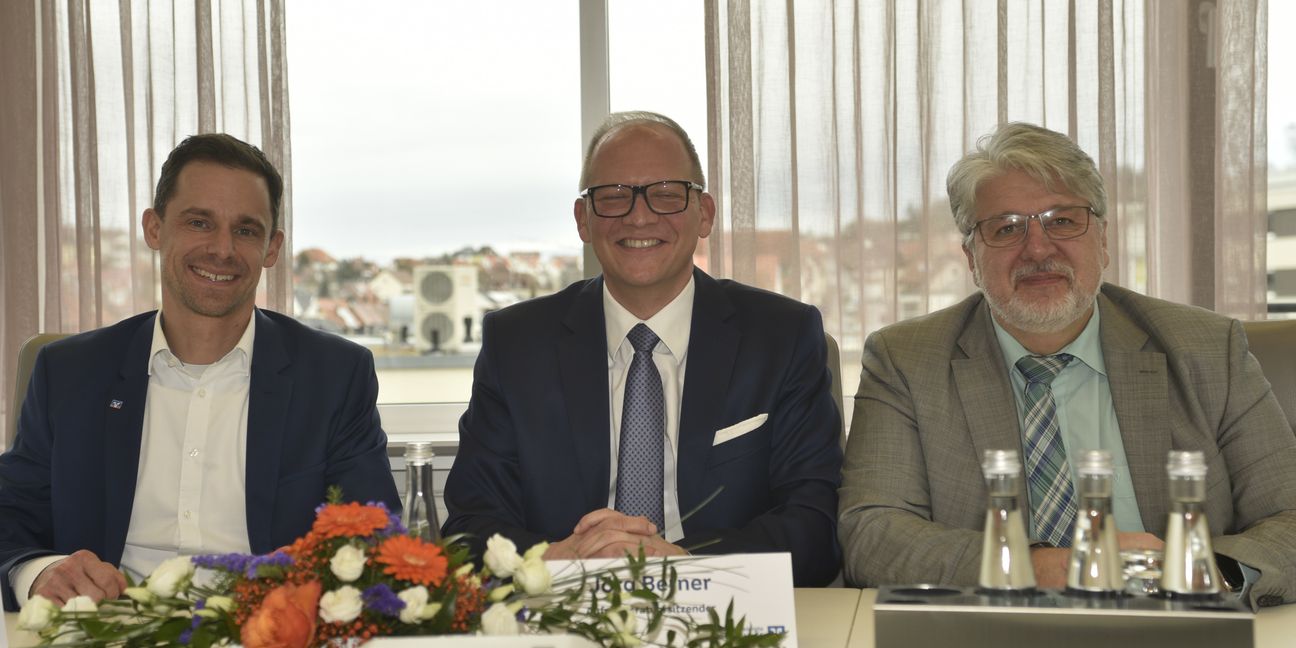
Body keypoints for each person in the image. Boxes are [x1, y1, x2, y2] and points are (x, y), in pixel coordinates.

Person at [838, 122, 1296, 608]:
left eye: (1062, 221)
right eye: (1006, 228)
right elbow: (872, 533)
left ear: (1102, 238)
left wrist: (1204, 571)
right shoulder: (906, 360)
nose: (1037, 249)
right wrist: (1037, 567)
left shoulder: (1207, 349)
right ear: (971, 256)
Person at [0, 134, 401, 612]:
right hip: (108, 630)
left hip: (267, 634)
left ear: (272, 249)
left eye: (247, 230)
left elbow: (375, 538)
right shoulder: (70, 373)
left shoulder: (335, 376)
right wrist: (41, 570)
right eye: (199, 222)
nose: (222, 249)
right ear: (154, 228)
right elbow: (11, 516)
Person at [442, 112, 843, 586]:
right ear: (582, 221)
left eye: (667, 193)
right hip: (561, 609)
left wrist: (676, 563)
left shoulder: (782, 336)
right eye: (612, 197)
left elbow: (815, 526)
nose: (639, 215)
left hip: (724, 607)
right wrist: (555, 562)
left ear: (706, 214)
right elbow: (468, 529)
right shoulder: (517, 345)